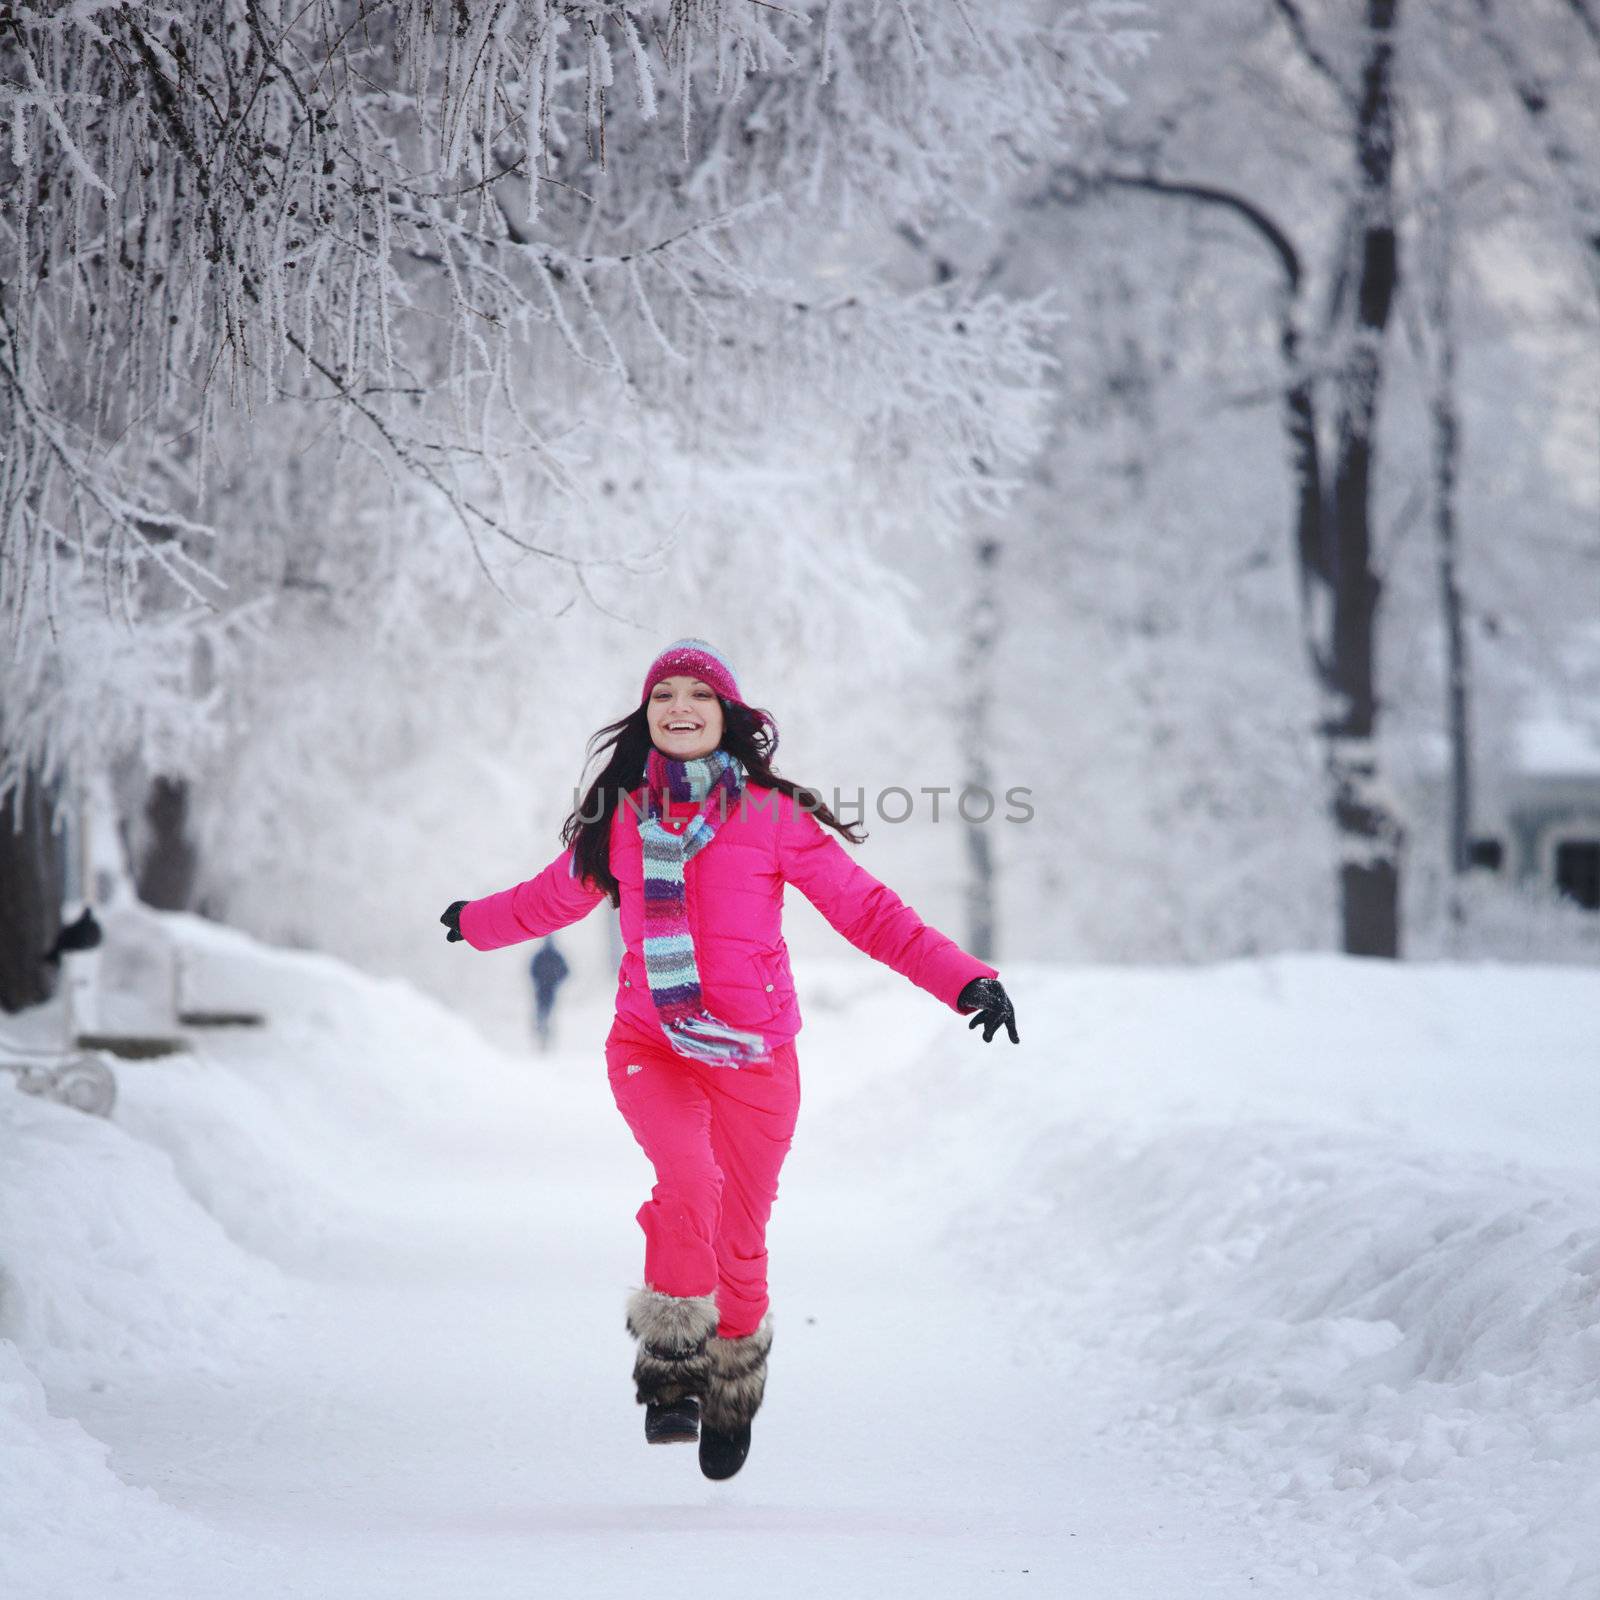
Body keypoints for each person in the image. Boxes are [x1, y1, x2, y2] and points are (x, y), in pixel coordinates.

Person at [440, 638, 1018, 1481]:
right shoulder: (623, 820)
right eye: (663, 694)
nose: (679, 707)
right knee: (689, 1182)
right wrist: (479, 920)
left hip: (756, 1057)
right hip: (651, 1045)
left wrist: (966, 981)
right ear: (647, 714)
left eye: (697, 695)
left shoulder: (776, 819)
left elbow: (872, 914)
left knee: (741, 1242)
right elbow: (551, 896)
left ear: (727, 715)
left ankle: (731, 1388)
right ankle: (671, 1372)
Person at [529, 936, 569, 1051]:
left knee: (546, 1012)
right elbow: (532, 971)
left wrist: (555, 980)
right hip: (543, 988)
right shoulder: (546, 956)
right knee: (543, 1012)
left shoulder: (549, 956)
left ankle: (546, 1036)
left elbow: (565, 971)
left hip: (548, 988)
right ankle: (542, 1035)